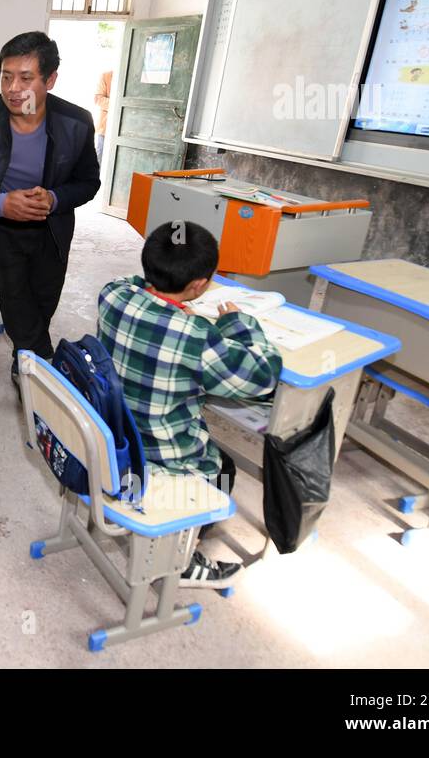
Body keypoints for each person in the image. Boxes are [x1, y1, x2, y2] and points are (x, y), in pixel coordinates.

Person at [96, 220, 282, 589]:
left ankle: (178, 536)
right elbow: (263, 375)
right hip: (156, 460)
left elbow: (136, 287)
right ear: (198, 286)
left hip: (111, 439)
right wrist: (237, 323)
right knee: (223, 470)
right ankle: (179, 557)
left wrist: (173, 308)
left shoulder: (112, 294)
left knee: (219, 455)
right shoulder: (197, 340)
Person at [0, 31, 101, 395]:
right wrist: (1, 204)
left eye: (26, 78)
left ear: (50, 79)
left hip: (53, 228)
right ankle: (38, 366)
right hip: (2, 228)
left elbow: (89, 182)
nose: (13, 87)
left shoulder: (77, 123)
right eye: (6, 75)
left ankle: (26, 356)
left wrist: (56, 199)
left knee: (45, 299)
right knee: (16, 298)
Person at [93, 69, 113, 158]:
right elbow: (98, 99)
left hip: (126, 130)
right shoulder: (106, 76)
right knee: (99, 156)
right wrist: (117, 104)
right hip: (105, 128)